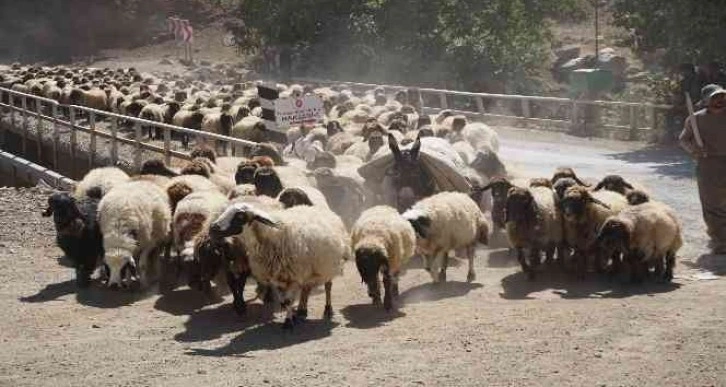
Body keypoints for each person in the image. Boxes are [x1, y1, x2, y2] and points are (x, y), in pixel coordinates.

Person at [679, 84, 726, 253]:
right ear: (706, 101)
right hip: (709, 164)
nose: (720, 101)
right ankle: (720, 240)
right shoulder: (696, 119)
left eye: (722, 97)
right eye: (715, 98)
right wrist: (694, 149)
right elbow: (684, 139)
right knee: (712, 205)